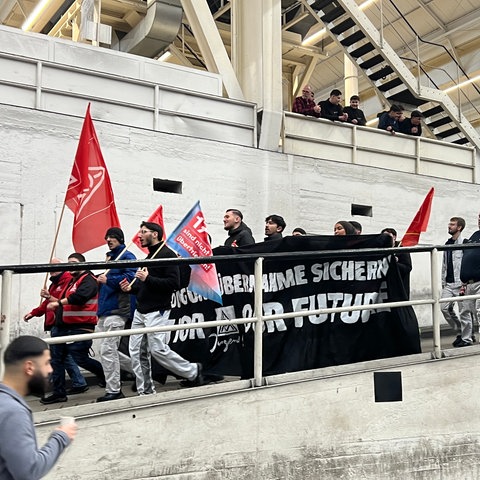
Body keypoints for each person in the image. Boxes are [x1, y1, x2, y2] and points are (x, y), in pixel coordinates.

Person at [120, 221, 203, 394]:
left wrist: (147, 279)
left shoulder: (167, 254)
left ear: (155, 234)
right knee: (135, 352)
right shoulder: (149, 257)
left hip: (157, 310)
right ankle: (146, 391)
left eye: (143, 232)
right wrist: (131, 288)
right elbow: (145, 286)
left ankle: (193, 371)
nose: (140, 236)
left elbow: (174, 283)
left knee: (158, 350)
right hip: (141, 311)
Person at [0, 336, 77, 479]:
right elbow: (29, 472)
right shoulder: (12, 412)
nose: (50, 369)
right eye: (47, 363)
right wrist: (61, 436)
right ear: (29, 367)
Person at [41, 252, 105, 404]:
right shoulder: (73, 282)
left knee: (79, 357)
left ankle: (105, 376)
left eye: (73, 262)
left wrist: (57, 303)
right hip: (64, 326)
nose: (70, 265)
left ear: (82, 264)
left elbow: (80, 297)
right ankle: (59, 393)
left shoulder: (89, 279)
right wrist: (51, 299)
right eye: (68, 263)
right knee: (57, 359)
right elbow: (64, 301)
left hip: (81, 326)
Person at [24, 258, 88, 395]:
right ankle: (78, 382)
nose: (51, 269)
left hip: (61, 323)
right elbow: (46, 305)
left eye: (54, 266)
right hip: (56, 323)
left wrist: (49, 298)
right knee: (62, 356)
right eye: (50, 266)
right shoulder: (55, 283)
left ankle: (58, 387)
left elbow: (61, 301)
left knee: (58, 357)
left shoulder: (66, 281)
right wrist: (34, 313)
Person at [96, 227, 137, 402]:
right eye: (107, 237)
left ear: (120, 238)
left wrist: (108, 280)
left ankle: (114, 390)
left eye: (112, 237)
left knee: (107, 350)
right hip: (105, 310)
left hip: (118, 309)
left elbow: (131, 277)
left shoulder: (127, 256)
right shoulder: (111, 258)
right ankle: (141, 370)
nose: (109, 239)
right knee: (107, 350)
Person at [441, 217, 466, 347]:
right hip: (449, 283)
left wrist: (465, 283)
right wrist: (443, 282)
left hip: (461, 283)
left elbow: (466, 264)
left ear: (459, 227)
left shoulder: (464, 243)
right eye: (449, 223)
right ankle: (460, 331)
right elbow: (444, 265)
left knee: (464, 311)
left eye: (452, 224)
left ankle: (466, 336)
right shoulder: (447, 244)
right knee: (444, 308)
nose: (449, 226)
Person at [459, 212, 480, 347]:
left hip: (479, 281)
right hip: (468, 283)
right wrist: (463, 283)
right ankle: (466, 339)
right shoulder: (475, 235)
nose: (479, 220)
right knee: (465, 311)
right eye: (479, 218)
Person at [381, 228, 412, 299]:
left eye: (387, 236)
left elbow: (407, 268)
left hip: (399, 288)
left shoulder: (402, 250)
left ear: (394, 237)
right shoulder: (381, 249)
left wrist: (394, 263)